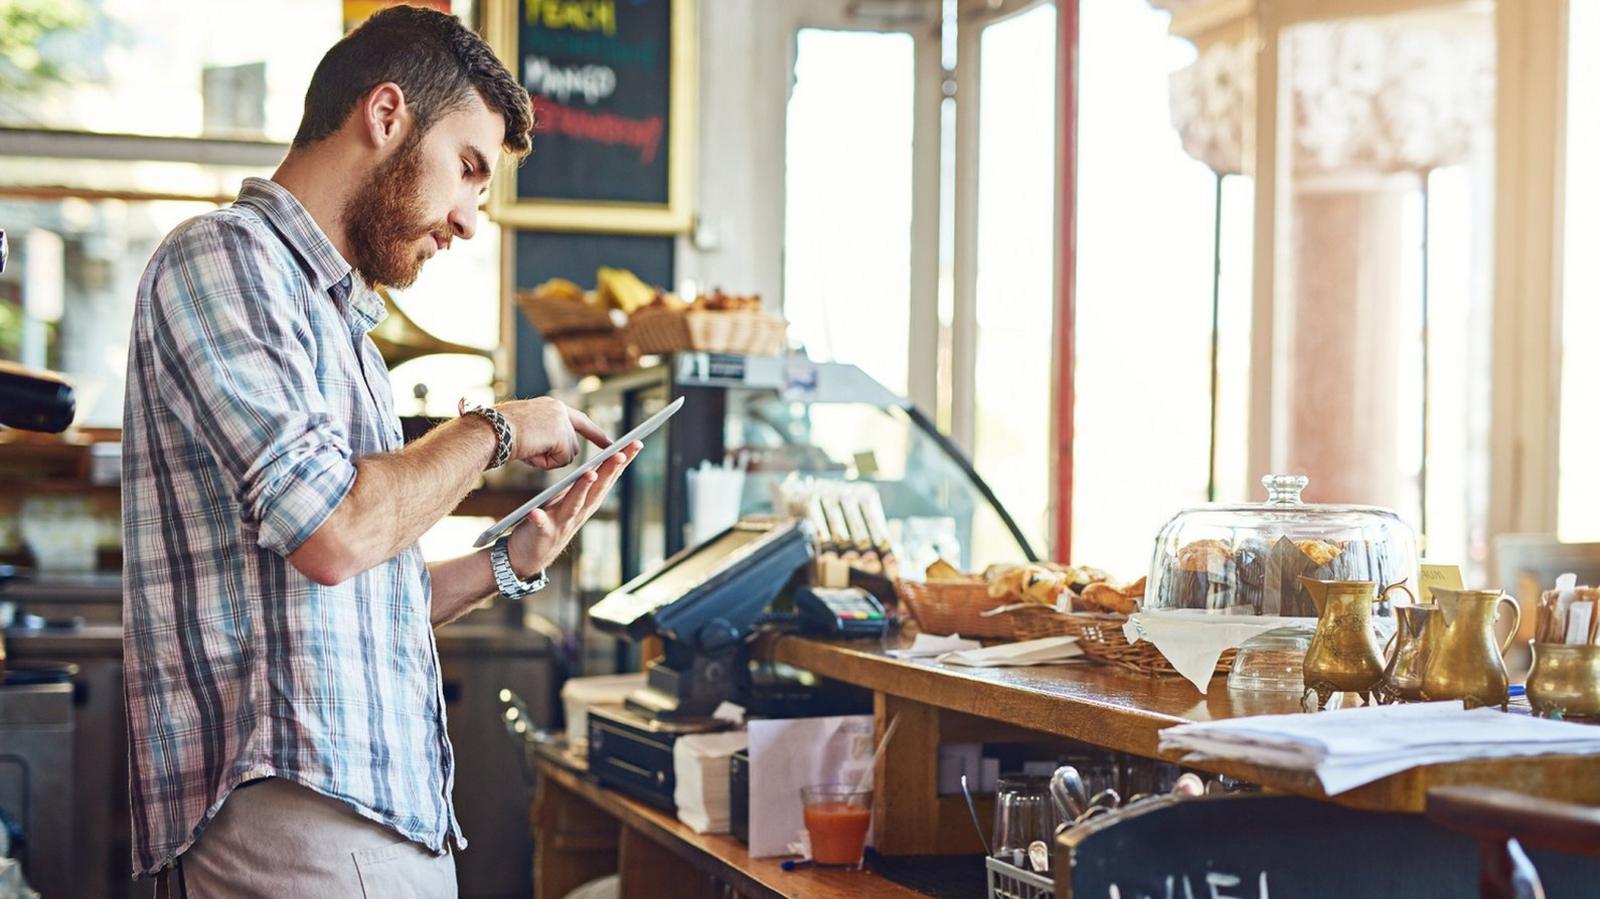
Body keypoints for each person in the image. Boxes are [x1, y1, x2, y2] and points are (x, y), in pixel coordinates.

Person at [119, 7, 632, 896]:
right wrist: (495, 429)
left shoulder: (340, 320)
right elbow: (337, 534)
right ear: (386, 115)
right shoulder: (226, 260)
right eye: (467, 170)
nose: (470, 221)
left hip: (365, 816)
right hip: (305, 814)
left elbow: (351, 603)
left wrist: (508, 560)